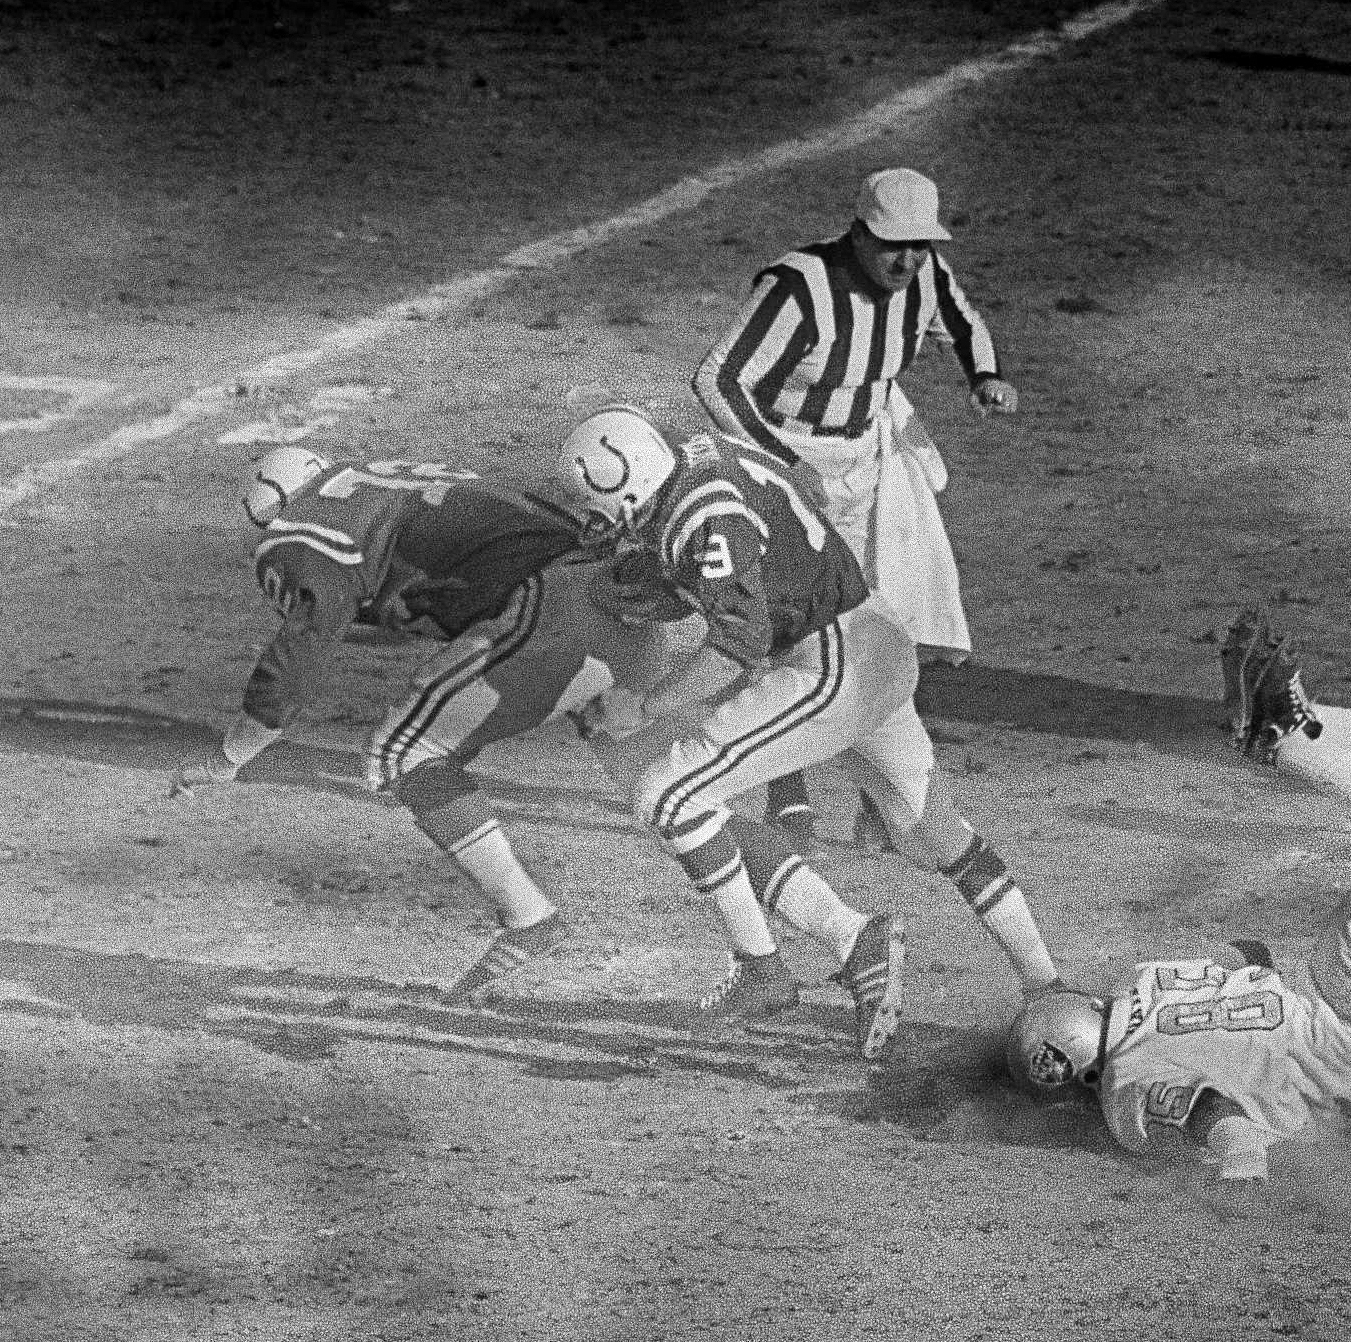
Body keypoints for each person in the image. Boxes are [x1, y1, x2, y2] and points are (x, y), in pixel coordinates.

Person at [558, 404, 1061, 1062]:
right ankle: (1046, 983)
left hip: (830, 664)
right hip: (877, 636)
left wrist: (644, 705)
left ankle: (766, 970)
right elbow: (801, 494)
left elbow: (736, 645)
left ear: (625, 488)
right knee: (931, 834)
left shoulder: (702, 517)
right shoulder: (706, 455)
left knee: (668, 796)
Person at [1004, 611, 1351, 1184]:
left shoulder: (1125, 1081)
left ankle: (1292, 738)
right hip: (1346, 988)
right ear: (1083, 1001)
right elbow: (1248, 955)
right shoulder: (1145, 979)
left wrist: (1242, 1170)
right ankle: (1299, 733)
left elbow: (1209, 1111)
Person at [168, 449, 675, 1001]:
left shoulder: (299, 529)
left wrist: (236, 750)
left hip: (553, 609)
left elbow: (308, 637)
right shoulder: (392, 476)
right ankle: (770, 907)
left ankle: (528, 915)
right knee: (679, 784)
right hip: (618, 593)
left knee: (403, 755)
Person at [692, 166, 1017, 843]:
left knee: (886, 625)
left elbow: (963, 320)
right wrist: (784, 470)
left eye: (919, 245)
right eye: (892, 244)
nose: (906, 260)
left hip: (869, 460)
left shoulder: (923, 276)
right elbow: (719, 379)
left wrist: (984, 375)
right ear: (859, 232)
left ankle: (883, 795)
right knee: (788, 627)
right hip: (783, 466)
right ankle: (787, 788)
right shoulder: (799, 287)